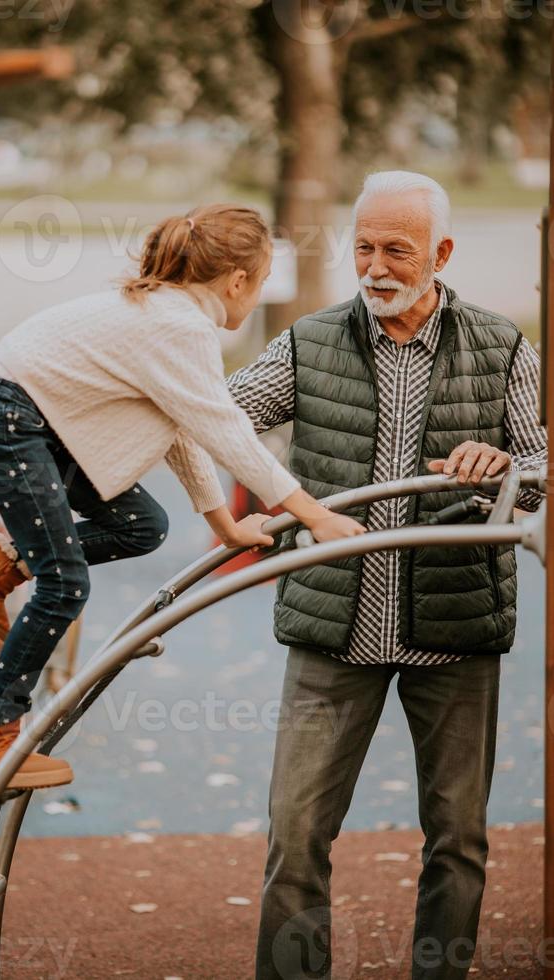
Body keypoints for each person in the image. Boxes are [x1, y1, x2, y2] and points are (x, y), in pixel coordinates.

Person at [224, 172, 547, 980]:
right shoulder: (309, 341)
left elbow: (540, 471)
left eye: (395, 249)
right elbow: (221, 419)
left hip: (456, 628)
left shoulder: (502, 344)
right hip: (334, 630)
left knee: (458, 838)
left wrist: (505, 464)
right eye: (362, 246)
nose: (373, 266)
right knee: (295, 834)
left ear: (440, 253)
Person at [0, 204, 364, 795]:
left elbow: (182, 429)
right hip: (8, 420)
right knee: (65, 583)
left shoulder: (170, 317)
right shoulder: (179, 326)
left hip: (29, 420)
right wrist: (315, 514)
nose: (256, 298)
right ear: (238, 281)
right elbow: (228, 433)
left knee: (142, 523)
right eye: (259, 285)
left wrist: (226, 525)